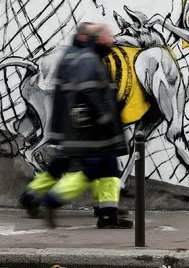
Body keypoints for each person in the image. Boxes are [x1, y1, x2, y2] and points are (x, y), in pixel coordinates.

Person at [40, 22, 132, 229]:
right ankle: (52, 199)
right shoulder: (90, 59)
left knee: (109, 173)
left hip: (101, 134)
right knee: (89, 173)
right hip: (96, 134)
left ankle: (108, 216)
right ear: (99, 39)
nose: (113, 40)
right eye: (109, 36)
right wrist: (103, 115)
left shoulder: (92, 57)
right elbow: (87, 89)